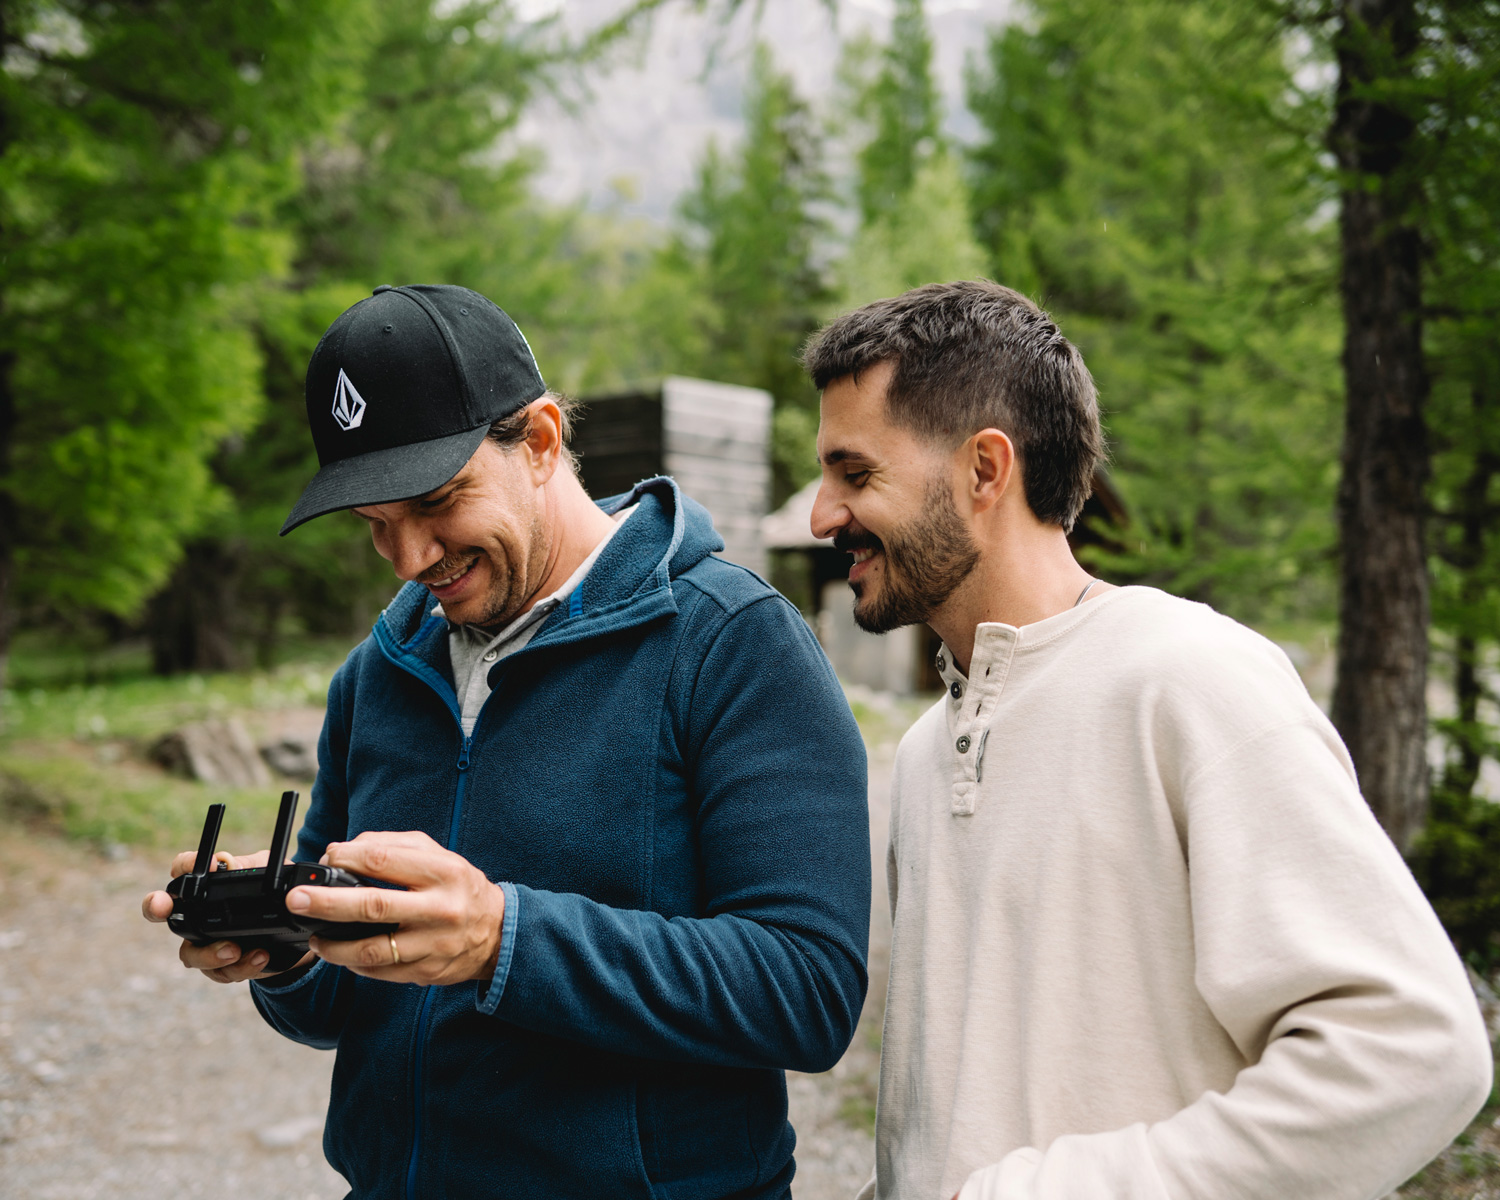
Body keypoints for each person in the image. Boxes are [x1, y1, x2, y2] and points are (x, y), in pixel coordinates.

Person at [142, 283, 871, 1199]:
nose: (410, 559)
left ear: (539, 443)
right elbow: (348, 1004)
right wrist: (287, 947)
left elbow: (807, 992)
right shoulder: (379, 672)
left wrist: (503, 941)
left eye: (436, 502)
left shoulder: (732, 642)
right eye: (375, 526)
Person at [801, 279, 1492, 1200]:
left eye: (855, 474)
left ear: (983, 471)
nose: (820, 515)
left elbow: (1412, 1050)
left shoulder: (1193, 680)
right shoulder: (929, 749)